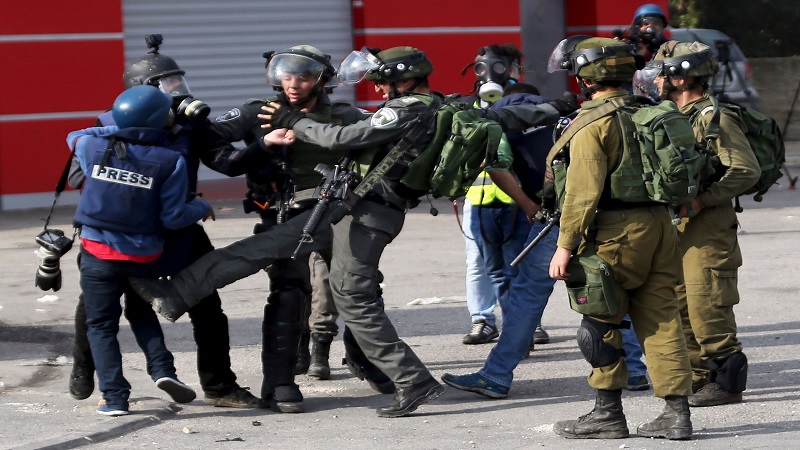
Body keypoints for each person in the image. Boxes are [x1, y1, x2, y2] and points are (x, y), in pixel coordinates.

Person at [129, 45, 576, 417]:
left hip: (365, 212)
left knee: (353, 297)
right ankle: (174, 294)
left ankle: (411, 381)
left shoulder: (400, 111)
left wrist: (291, 121)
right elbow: (505, 117)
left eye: (382, 82)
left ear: (402, 81)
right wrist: (555, 106)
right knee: (262, 247)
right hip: (347, 207)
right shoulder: (450, 106)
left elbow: (343, 139)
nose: (377, 89)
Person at [68, 37, 261, 409]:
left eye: (178, 81)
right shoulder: (110, 124)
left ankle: (220, 386)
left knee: (207, 304)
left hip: (180, 226)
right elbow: (80, 176)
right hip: (124, 230)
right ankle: (83, 367)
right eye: (168, 83)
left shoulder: (190, 124)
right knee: (95, 307)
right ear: (143, 90)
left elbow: (226, 162)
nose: (177, 90)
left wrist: (265, 147)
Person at [209, 45, 392, 412]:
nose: (293, 84)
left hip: (337, 214)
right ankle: (278, 381)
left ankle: (364, 359)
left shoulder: (342, 114)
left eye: (304, 77)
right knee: (289, 292)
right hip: (282, 214)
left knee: (361, 286)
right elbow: (210, 140)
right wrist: (257, 151)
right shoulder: (258, 111)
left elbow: (385, 133)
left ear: (321, 81)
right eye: (287, 76)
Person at [545, 36, 693, 440]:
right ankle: (676, 414)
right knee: (662, 321)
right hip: (660, 226)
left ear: (585, 77)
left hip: (614, 233)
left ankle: (607, 414)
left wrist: (564, 246)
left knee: (599, 323)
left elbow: (582, 193)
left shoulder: (592, 123)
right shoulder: (649, 112)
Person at [66, 85, 214, 415]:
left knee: (101, 325)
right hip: (144, 256)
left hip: (97, 253)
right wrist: (201, 206)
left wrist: (119, 128)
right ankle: (163, 371)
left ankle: (115, 397)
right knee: (140, 310)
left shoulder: (92, 145)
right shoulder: (171, 161)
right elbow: (173, 218)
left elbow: (74, 135)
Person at [641, 40, 760, 406]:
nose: (656, 81)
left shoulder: (711, 116)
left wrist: (701, 201)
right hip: (678, 226)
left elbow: (745, 170)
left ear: (681, 77)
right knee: (680, 303)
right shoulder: (674, 115)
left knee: (707, 302)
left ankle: (726, 381)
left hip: (707, 227)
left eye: (662, 73)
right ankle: (697, 375)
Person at [457, 46, 549, 347]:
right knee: (479, 264)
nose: (489, 73)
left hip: (517, 201)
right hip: (478, 200)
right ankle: (482, 319)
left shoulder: (525, 103)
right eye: (481, 67)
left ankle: (526, 325)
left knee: (520, 266)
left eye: (498, 66)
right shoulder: (468, 106)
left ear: (513, 70)